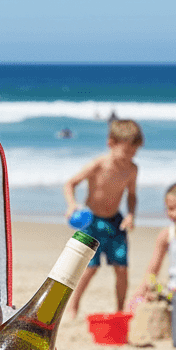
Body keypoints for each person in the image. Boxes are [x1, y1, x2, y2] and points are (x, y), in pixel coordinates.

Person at [63, 118, 143, 315]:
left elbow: (132, 195)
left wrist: (131, 215)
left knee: (122, 268)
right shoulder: (98, 164)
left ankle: (120, 310)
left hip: (115, 221)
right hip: (92, 221)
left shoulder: (132, 169)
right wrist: (72, 205)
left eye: (134, 152)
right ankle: (74, 306)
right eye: (126, 152)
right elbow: (70, 184)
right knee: (90, 268)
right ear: (111, 143)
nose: (129, 157)